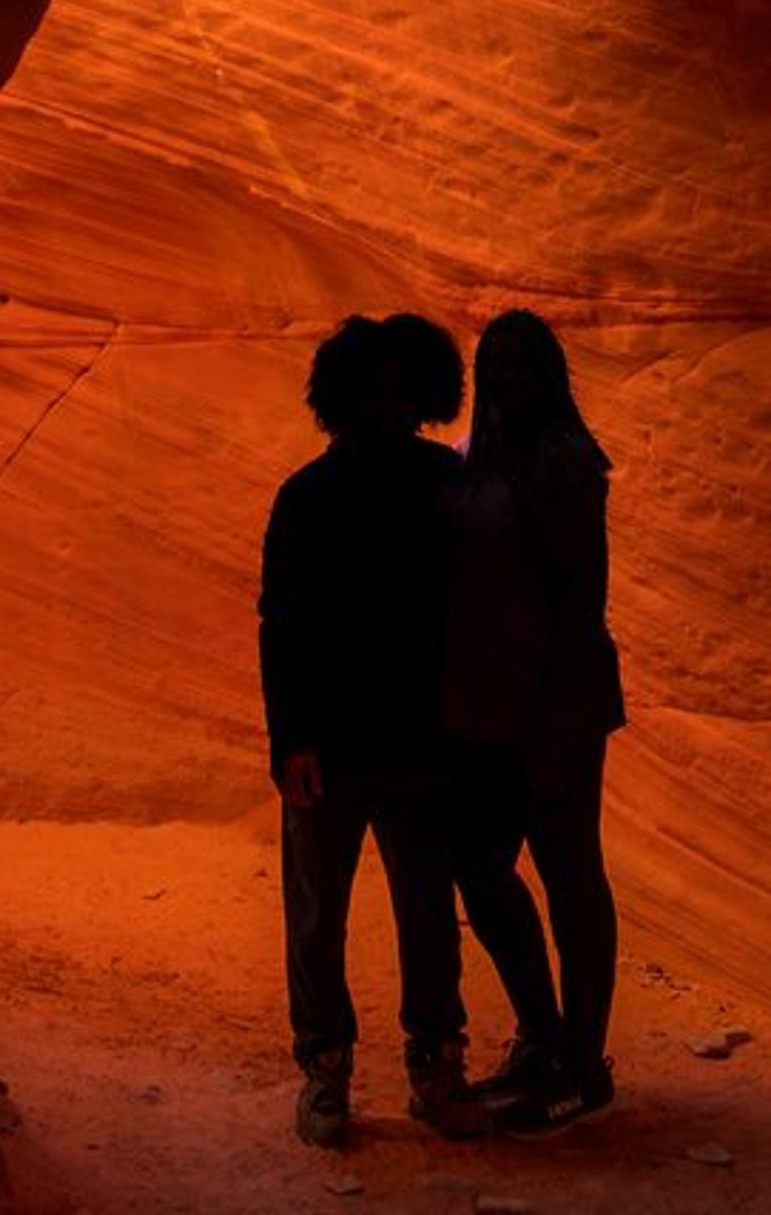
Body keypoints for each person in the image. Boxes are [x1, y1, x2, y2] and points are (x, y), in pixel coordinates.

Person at [258, 313, 488, 1147]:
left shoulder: (439, 483)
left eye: (400, 390)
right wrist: (291, 742)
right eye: (375, 390)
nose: (389, 405)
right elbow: (280, 624)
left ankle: (434, 1060)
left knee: (425, 912)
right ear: (345, 398)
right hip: (336, 744)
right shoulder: (307, 499)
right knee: (321, 918)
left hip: (420, 741)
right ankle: (326, 1067)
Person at [444, 309, 626, 1137]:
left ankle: (581, 1063)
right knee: (484, 870)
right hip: (492, 710)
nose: (507, 383)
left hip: (554, 710)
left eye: (518, 368)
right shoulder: (486, 458)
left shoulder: (563, 466)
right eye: (500, 367)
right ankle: (548, 1038)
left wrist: (554, 732)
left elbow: (577, 606)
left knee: (568, 873)